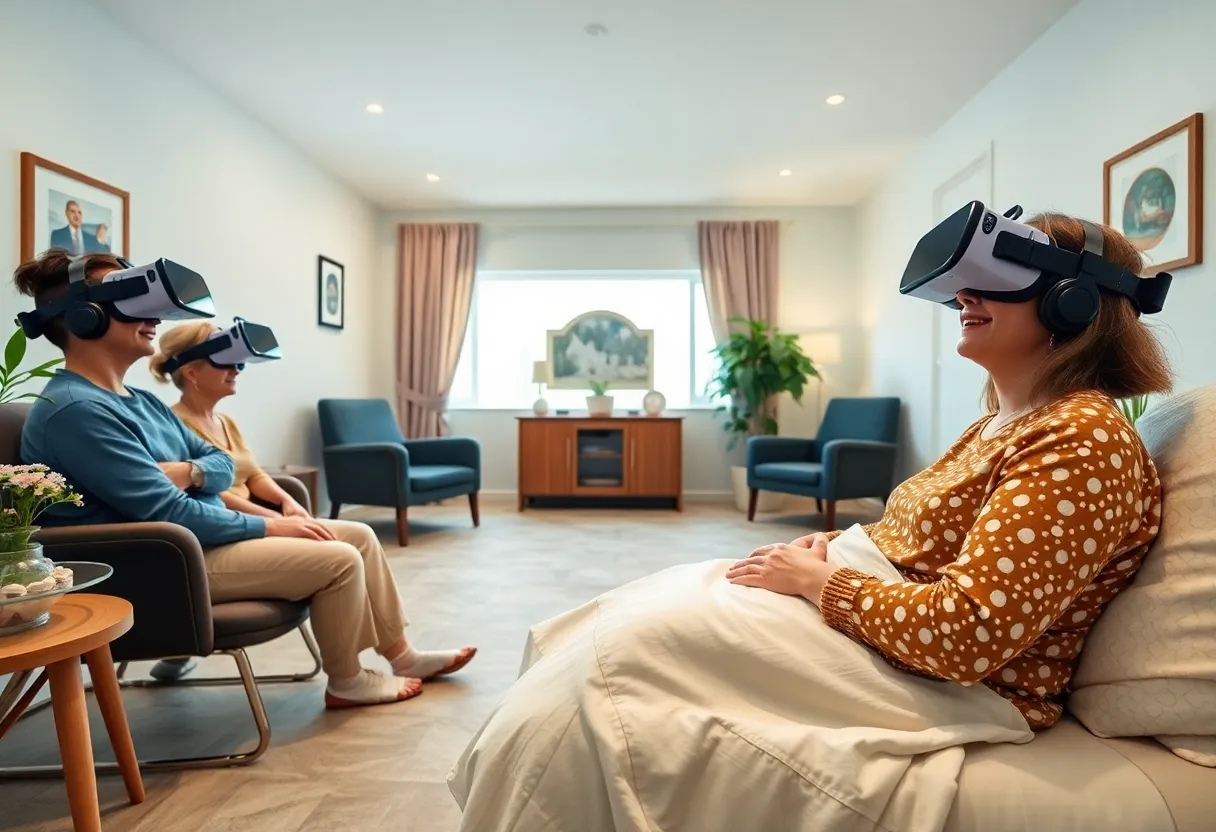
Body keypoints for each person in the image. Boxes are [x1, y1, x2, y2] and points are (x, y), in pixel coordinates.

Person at [447, 211, 1174, 827]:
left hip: (943, 680)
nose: (965, 295)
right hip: (877, 626)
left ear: (1074, 304)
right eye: (964, 282)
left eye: (999, 280)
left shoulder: (1081, 438)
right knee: (604, 630)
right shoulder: (1004, 424)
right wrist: (839, 547)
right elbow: (932, 541)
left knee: (611, 676)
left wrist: (818, 583)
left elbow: (969, 636)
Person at [14, 250, 476, 709]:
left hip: (200, 541)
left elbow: (221, 461)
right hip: (164, 563)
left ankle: (403, 655)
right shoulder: (79, 410)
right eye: (127, 298)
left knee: (358, 535)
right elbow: (167, 512)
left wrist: (191, 471)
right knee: (339, 558)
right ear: (82, 315)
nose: (153, 314)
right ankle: (348, 681)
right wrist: (272, 523)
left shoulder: (140, 401)